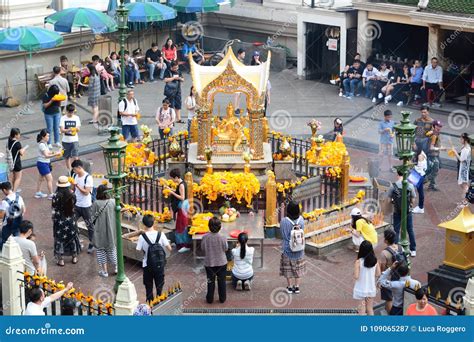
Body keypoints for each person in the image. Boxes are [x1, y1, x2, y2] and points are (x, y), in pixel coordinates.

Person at [136, 214, 172, 302]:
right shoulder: (161, 234)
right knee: (159, 287)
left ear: (143, 224)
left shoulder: (142, 237)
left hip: (147, 265)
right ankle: (159, 304)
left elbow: (137, 250)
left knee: (148, 287)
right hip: (159, 265)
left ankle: (149, 306)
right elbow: (170, 248)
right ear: (154, 223)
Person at [52, 176, 81, 266]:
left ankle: (61, 259)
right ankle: (74, 256)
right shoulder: (72, 194)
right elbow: (75, 203)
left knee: (60, 238)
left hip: (59, 220)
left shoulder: (56, 196)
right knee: (72, 237)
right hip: (71, 220)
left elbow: (54, 208)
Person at [387, 169, 417, 257]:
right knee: (410, 229)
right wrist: (410, 204)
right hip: (407, 211)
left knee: (396, 230)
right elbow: (413, 199)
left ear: (397, 174)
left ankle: (396, 248)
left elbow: (389, 200)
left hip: (397, 211)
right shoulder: (410, 186)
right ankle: (413, 249)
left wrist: (394, 201)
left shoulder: (393, 186)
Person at [280, 200, 305, 294]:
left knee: (288, 268)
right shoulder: (301, 220)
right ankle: (297, 287)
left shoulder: (284, 221)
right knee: (298, 268)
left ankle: (290, 287)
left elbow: (283, 235)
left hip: (287, 249)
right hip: (299, 248)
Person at [201, 217, 228, 304]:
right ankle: (222, 298)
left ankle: (209, 299)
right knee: (222, 281)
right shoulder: (223, 237)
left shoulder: (205, 237)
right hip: (222, 263)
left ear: (209, 226)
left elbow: (203, 248)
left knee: (210, 281)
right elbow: (226, 248)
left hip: (209, 263)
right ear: (220, 227)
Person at [92, 184, 117, 277]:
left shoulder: (96, 203)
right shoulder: (113, 201)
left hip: (100, 230)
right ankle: (116, 268)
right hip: (111, 229)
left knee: (101, 250)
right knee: (112, 249)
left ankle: (104, 271)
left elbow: (92, 217)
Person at [165, 169, 191, 252]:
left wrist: (171, 193)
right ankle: (179, 243)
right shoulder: (181, 183)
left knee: (182, 225)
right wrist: (170, 189)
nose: (172, 180)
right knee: (180, 224)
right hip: (184, 206)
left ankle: (185, 245)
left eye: (173, 178)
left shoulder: (181, 185)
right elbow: (179, 193)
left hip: (183, 206)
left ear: (176, 177)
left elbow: (182, 197)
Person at [71, 160, 94, 254]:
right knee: (72, 222)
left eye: (74, 169)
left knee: (90, 226)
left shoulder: (88, 178)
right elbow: (72, 189)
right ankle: (77, 241)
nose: (74, 171)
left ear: (79, 167)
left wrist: (77, 186)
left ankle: (92, 243)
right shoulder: (74, 176)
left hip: (86, 206)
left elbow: (86, 192)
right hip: (76, 205)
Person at [353, 240, 380, 315]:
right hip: (370, 288)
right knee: (369, 309)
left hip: (361, 289)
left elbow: (356, 276)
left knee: (361, 310)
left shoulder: (358, 262)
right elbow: (378, 274)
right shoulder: (375, 261)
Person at [378, 229, 401, 314]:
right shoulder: (400, 247)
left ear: (386, 240)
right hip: (399, 276)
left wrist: (380, 278)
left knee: (388, 299)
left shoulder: (384, 253)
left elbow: (382, 267)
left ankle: (391, 316)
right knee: (397, 296)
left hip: (388, 278)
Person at [35, 129, 61, 200]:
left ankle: (38, 192)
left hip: (43, 163)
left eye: (49, 136)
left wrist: (55, 152)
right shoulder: (42, 145)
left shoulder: (44, 143)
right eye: (47, 136)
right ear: (43, 137)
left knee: (41, 179)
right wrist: (56, 154)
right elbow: (46, 155)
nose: (48, 137)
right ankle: (51, 194)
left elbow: (48, 152)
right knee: (50, 179)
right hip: (43, 164)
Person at [0, 181, 25, 249]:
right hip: (18, 220)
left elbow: (1, 215)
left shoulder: (4, 201)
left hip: (8, 222)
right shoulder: (19, 197)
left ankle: (3, 253)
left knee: (4, 239)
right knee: (17, 237)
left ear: (4, 190)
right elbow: (24, 210)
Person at [60, 104, 81, 173]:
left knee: (76, 156)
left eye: (72, 112)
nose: (71, 114)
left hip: (74, 140)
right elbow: (62, 130)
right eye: (70, 112)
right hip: (66, 141)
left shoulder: (76, 118)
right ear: (67, 111)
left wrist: (75, 129)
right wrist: (69, 130)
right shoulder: (63, 118)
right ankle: (69, 170)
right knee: (67, 157)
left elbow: (78, 129)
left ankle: (77, 169)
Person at [426, 120, 446, 191]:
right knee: (434, 170)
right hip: (433, 155)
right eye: (438, 126)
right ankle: (423, 182)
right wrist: (440, 148)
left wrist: (441, 147)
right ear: (434, 126)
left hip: (434, 155)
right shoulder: (434, 134)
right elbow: (432, 147)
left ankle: (431, 185)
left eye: (440, 126)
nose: (440, 127)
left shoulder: (435, 133)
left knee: (432, 170)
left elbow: (436, 144)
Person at [452, 133, 471, 198]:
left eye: (461, 139)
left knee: (464, 185)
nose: (460, 140)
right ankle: (466, 198)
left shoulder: (466, 149)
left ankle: (465, 200)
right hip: (463, 168)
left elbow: (461, 159)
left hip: (464, 169)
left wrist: (455, 152)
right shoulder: (465, 147)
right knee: (462, 184)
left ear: (465, 140)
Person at [7, 128, 27, 192]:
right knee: (18, 177)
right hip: (17, 163)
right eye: (19, 134)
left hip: (11, 162)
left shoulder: (9, 140)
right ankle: (14, 191)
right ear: (15, 135)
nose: (19, 135)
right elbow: (21, 153)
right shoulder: (17, 143)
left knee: (14, 176)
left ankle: (14, 188)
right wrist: (24, 149)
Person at [412, 148, 427, 214]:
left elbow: (419, 168)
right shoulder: (421, 152)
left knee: (419, 191)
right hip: (418, 174)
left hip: (418, 175)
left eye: (414, 145)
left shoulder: (420, 156)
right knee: (419, 190)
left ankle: (420, 207)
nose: (413, 146)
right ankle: (420, 207)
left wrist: (411, 164)